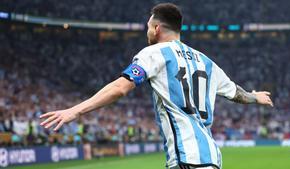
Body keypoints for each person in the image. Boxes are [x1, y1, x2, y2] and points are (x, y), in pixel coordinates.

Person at [40, 3, 273, 169]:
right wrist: (255, 97)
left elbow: (121, 87)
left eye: (148, 28)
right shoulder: (207, 62)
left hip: (186, 157)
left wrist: (75, 110)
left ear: (157, 29)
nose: (147, 32)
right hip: (211, 158)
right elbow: (236, 93)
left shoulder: (154, 53)